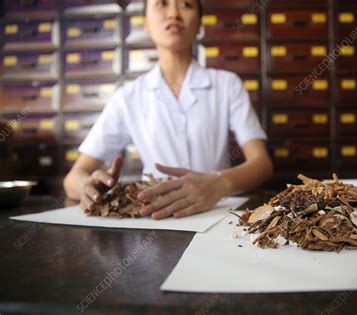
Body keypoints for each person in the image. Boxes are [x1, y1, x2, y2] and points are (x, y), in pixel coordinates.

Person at [63, 0, 273, 220]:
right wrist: (88, 188)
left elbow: (261, 164)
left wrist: (219, 183)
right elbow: (73, 179)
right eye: (162, 4)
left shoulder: (227, 84)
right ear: (146, 23)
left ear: (200, 23)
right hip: (152, 217)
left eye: (186, 5)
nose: (173, 14)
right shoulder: (128, 96)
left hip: (216, 212)